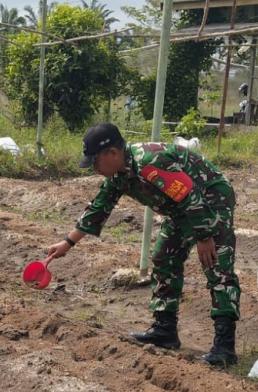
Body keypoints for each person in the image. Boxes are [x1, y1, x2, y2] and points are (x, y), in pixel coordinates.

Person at [47, 123, 240, 366]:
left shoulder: (150, 162)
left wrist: (204, 236)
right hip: (181, 208)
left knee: (216, 266)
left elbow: (191, 195)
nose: (94, 168)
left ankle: (224, 347)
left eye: (95, 162)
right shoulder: (119, 174)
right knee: (164, 257)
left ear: (113, 153)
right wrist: (67, 243)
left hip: (211, 200)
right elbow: (100, 206)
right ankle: (165, 330)